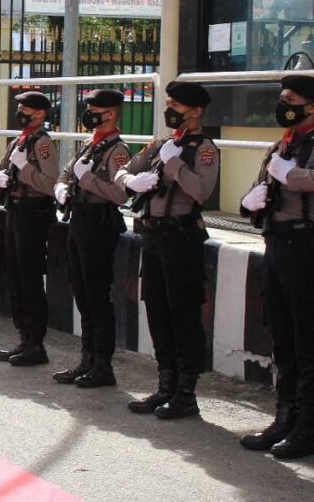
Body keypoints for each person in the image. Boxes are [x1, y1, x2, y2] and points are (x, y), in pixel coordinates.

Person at [115, 81, 217, 419]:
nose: (169, 109)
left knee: (183, 313)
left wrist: (174, 165)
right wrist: (129, 181)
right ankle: (165, 384)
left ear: (195, 111)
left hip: (181, 238)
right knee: (157, 310)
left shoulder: (203, 149)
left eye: (175, 104)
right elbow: (124, 170)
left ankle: (186, 392)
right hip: (152, 236)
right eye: (168, 102)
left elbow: (202, 191)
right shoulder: (160, 144)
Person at [238, 75, 314, 458]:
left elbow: (302, 181)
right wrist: (250, 200)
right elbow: (258, 185)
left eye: (291, 99)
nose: (283, 104)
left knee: (307, 340)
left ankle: (307, 426)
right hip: (277, 244)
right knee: (282, 337)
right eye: (282, 98)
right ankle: (284, 416)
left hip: (307, 246)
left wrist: (294, 177)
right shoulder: (279, 145)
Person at [52, 89, 131, 386]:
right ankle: (86, 360)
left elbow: (120, 194)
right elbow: (66, 173)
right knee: (83, 294)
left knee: (97, 296)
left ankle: (103, 366)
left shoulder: (117, 151)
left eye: (94, 109)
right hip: (79, 221)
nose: (89, 113)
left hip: (100, 224)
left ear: (110, 114)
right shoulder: (89, 145)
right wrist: (61, 188)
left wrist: (88, 180)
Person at [0, 90, 59, 366]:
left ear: (39, 113)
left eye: (25, 109)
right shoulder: (19, 141)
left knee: (29, 279)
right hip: (14, 211)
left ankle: (36, 343)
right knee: (15, 277)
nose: (20, 113)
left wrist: (24, 168)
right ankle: (24, 337)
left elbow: (47, 183)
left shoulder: (42, 144)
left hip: (33, 215)